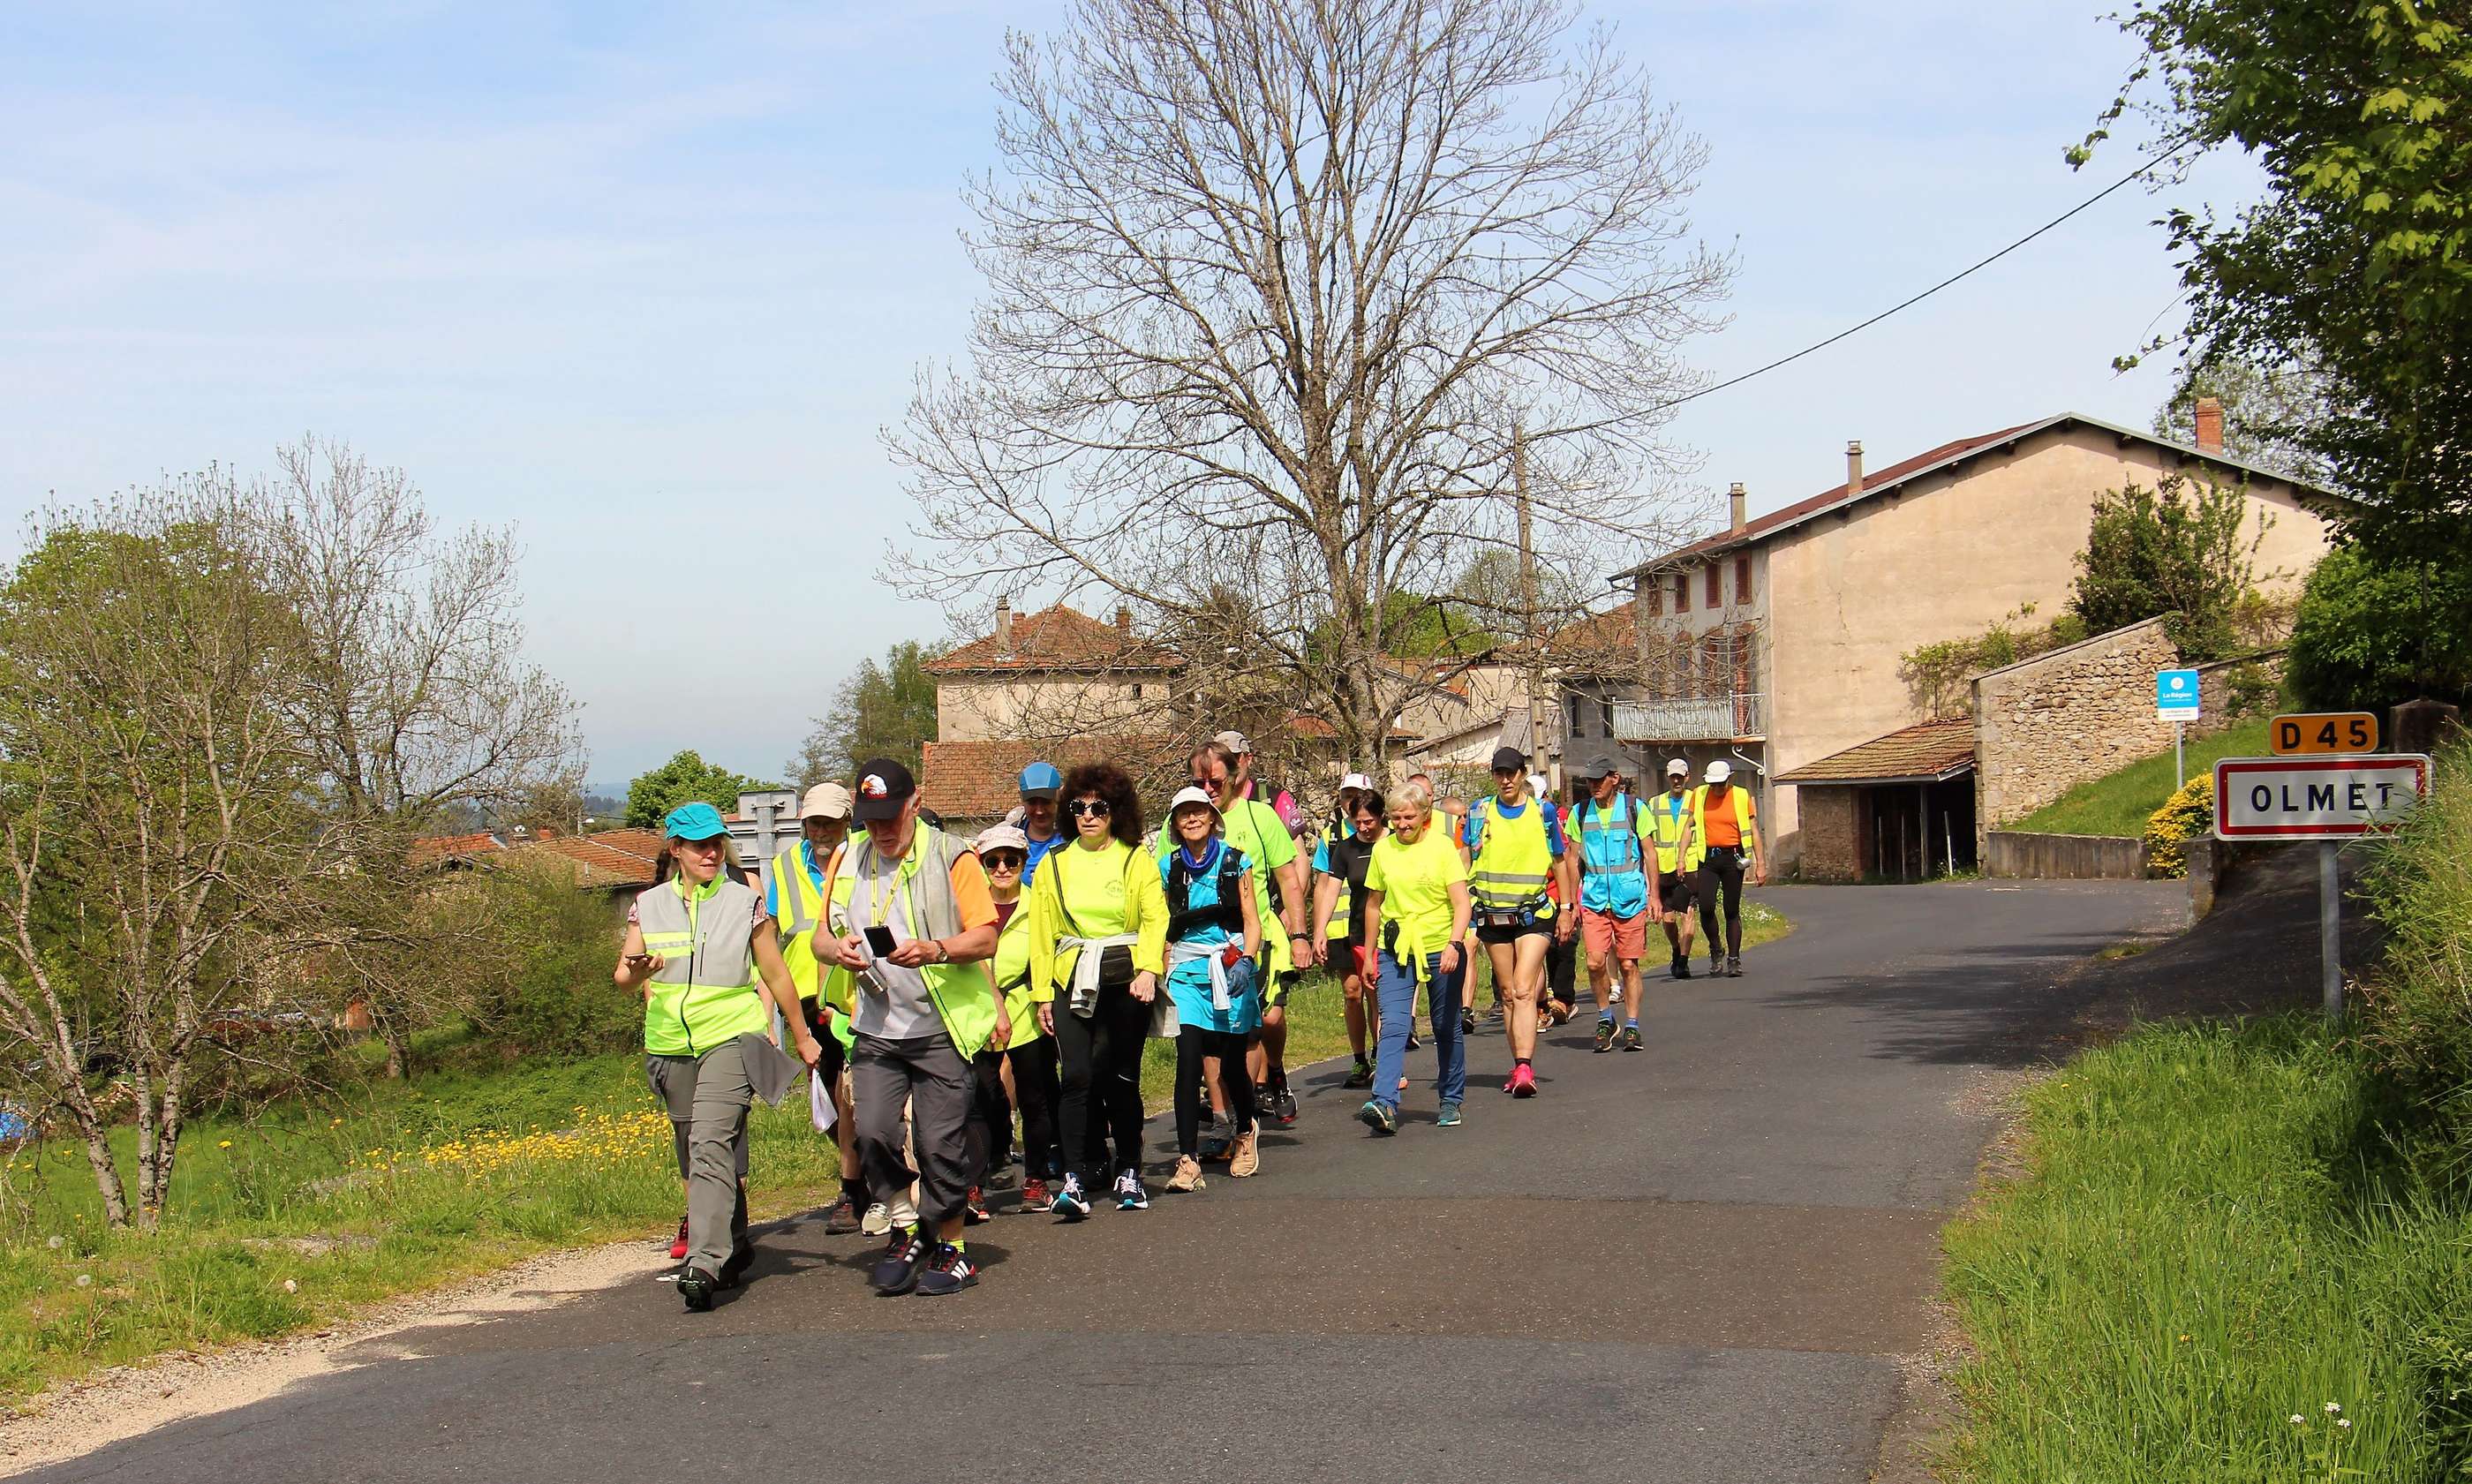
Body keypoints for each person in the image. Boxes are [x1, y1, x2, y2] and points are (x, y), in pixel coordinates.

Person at [810, 758, 1006, 1299]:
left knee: (938, 1143)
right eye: (871, 820)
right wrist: (839, 950)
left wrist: (936, 949)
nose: (882, 830)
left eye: (891, 816)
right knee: (871, 1131)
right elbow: (819, 939)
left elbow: (986, 937)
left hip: (939, 1024)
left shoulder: (952, 855)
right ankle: (904, 1226)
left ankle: (952, 1247)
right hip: (875, 1025)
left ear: (915, 803)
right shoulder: (848, 857)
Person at [617, 802, 823, 1313]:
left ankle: (704, 1261)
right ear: (676, 851)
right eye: (698, 845)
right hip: (669, 1044)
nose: (711, 853)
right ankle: (734, 1243)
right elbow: (623, 978)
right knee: (698, 1149)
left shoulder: (744, 902)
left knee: (711, 1139)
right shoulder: (649, 904)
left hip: (732, 1037)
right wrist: (640, 970)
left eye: (716, 843)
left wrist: (800, 1036)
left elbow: (776, 973)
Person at [1029, 760, 1168, 1217]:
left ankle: (1129, 1170)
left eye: (1099, 807)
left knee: (1120, 1078)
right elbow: (1041, 930)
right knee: (1076, 1078)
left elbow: (1155, 917)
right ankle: (1074, 1177)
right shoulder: (1053, 863)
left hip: (1124, 980)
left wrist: (1148, 969)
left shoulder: (1135, 857)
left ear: (1116, 811)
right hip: (1072, 977)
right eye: (1079, 807)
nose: (1088, 815)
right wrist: (1041, 993)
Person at [1181, 741, 1308, 1129]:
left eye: (1215, 781)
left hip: (1255, 938)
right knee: (1214, 1031)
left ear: (1235, 777)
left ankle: (1258, 1090)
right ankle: (1229, 1114)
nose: (1207, 790)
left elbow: (1288, 878)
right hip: (1200, 945)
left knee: (1257, 1027)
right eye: (1199, 782)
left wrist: (1300, 933)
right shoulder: (1183, 821)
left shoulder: (1260, 817)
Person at [763, 782, 869, 1237]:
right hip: (806, 999)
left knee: (855, 1093)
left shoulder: (866, 855)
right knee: (828, 1095)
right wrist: (771, 1016)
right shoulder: (783, 865)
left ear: (847, 820)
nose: (820, 830)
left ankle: (854, 1190)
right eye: (813, 821)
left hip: (858, 992)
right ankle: (862, 1176)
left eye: (828, 821)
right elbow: (767, 940)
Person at [1158, 786, 1265, 1190]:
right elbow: (1164, 920)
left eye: (1198, 812)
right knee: (1188, 1061)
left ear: (1212, 817)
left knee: (1233, 1065)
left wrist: (1249, 960)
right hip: (1187, 969)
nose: (1192, 819)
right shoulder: (1168, 867)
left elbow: (1251, 919)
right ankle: (1187, 1161)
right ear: (1175, 823)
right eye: (1183, 814)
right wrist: (1161, 967)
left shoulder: (1236, 861)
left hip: (1230, 962)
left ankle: (1245, 1130)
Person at [1355, 779, 1473, 1134]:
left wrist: (1455, 944)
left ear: (1424, 815)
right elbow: (1373, 905)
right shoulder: (1383, 850)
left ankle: (1451, 1099)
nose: (1402, 824)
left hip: (1441, 947)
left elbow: (1461, 903)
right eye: (1396, 818)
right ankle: (1384, 1103)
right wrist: (1371, 955)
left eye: (1409, 817)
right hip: (1396, 950)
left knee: (1444, 1026)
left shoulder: (1441, 848)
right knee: (1393, 1025)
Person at [1462, 746, 1576, 1097]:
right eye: (1499, 773)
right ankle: (1517, 1065)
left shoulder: (1541, 813)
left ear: (1523, 774)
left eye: (1512, 772)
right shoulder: (1480, 812)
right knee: (1509, 994)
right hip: (1493, 915)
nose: (1506, 779)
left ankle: (1526, 1066)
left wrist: (1567, 908)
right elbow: (1464, 860)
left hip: (1534, 914)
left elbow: (1560, 861)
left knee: (1525, 989)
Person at [972, 824, 1062, 1216]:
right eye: (993, 861)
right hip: (979, 1011)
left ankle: (1036, 1179)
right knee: (980, 1096)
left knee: (1034, 1097)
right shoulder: (969, 907)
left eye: (1012, 860)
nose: (1003, 868)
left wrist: (1043, 999)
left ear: (1024, 863)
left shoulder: (1037, 903)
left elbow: (1047, 953)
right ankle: (976, 1180)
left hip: (1026, 1005)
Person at [1571, 757, 1656, 1053]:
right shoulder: (1580, 812)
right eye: (1590, 780)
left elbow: (1650, 854)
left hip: (1629, 899)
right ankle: (1606, 1018)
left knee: (1629, 964)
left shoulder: (1635, 808)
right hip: (1594, 899)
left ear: (1615, 779)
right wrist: (1569, 904)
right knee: (1595, 962)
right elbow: (1571, 859)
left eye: (1599, 779)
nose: (1593, 785)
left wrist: (1654, 895)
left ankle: (1632, 1025)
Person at [1313, 785, 1386, 1089]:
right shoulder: (1344, 848)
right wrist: (1319, 929)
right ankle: (1360, 1059)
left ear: (1381, 817)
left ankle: (1384, 1060)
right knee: (1352, 993)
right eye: (1358, 822)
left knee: (1377, 997)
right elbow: (1330, 889)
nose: (1364, 828)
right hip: (1355, 930)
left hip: (1388, 932)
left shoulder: (1394, 843)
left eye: (1369, 821)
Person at [1690, 761, 1767, 978]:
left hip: (1734, 858)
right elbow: (1689, 826)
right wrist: (1680, 859)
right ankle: (1716, 950)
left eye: (1721, 784)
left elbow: (1753, 831)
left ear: (1729, 779)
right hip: (1708, 859)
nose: (1717, 788)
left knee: (1731, 909)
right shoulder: (1700, 795)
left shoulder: (1741, 796)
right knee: (1705, 906)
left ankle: (1734, 958)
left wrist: (1761, 864)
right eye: (1713, 784)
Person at [1647, 759, 1704, 979]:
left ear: (1687, 777)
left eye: (1681, 776)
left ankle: (1683, 961)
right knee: (1668, 920)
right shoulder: (1655, 803)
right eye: (1673, 776)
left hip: (1690, 864)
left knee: (1688, 914)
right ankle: (1675, 949)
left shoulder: (1696, 800)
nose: (1677, 780)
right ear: (1668, 777)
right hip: (1664, 867)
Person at [1006, 761, 1068, 882]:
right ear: (1021, 797)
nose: (1039, 811)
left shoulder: (1075, 839)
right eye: (1032, 802)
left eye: (1046, 802)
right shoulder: (1008, 841)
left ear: (1060, 795)